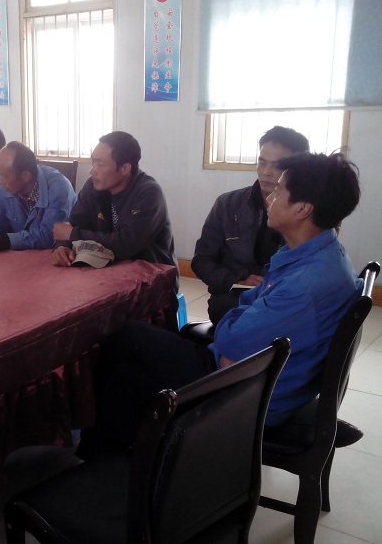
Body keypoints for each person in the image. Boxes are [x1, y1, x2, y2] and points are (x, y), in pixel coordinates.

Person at [80, 152, 362, 456]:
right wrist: (240, 321)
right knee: (128, 363)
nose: (270, 196)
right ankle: (116, 450)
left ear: (303, 209)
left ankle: (102, 455)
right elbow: (250, 299)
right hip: (268, 374)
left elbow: (230, 341)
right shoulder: (320, 254)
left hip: (252, 391)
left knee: (125, 339)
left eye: (280, 191)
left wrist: (233, 330)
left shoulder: (307, 283)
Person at [192, 126, 310, 324]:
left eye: (277, 166)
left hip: (281, 303)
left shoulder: (304, 211)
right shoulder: (228, 204)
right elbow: (201, 260)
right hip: (231, 302)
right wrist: (236, 279)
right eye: (261, 163)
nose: (266, 172)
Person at [51, 131, 177, 269]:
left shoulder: (149, 193)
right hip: (104, 267)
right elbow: (70, 227)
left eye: (100, 164)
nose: (92, 170)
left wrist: (73, 235)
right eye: (93, 162)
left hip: (152, 272)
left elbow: (126, 246)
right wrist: (63, 247)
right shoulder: (93, 186)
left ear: (124, 168)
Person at [0, 141, 77, 252]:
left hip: (55, 256)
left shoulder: (59, 188)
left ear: (25, 176)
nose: (0, 182)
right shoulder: (4, 188)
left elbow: (49, 236)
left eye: (5, 176)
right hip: (18, 256)